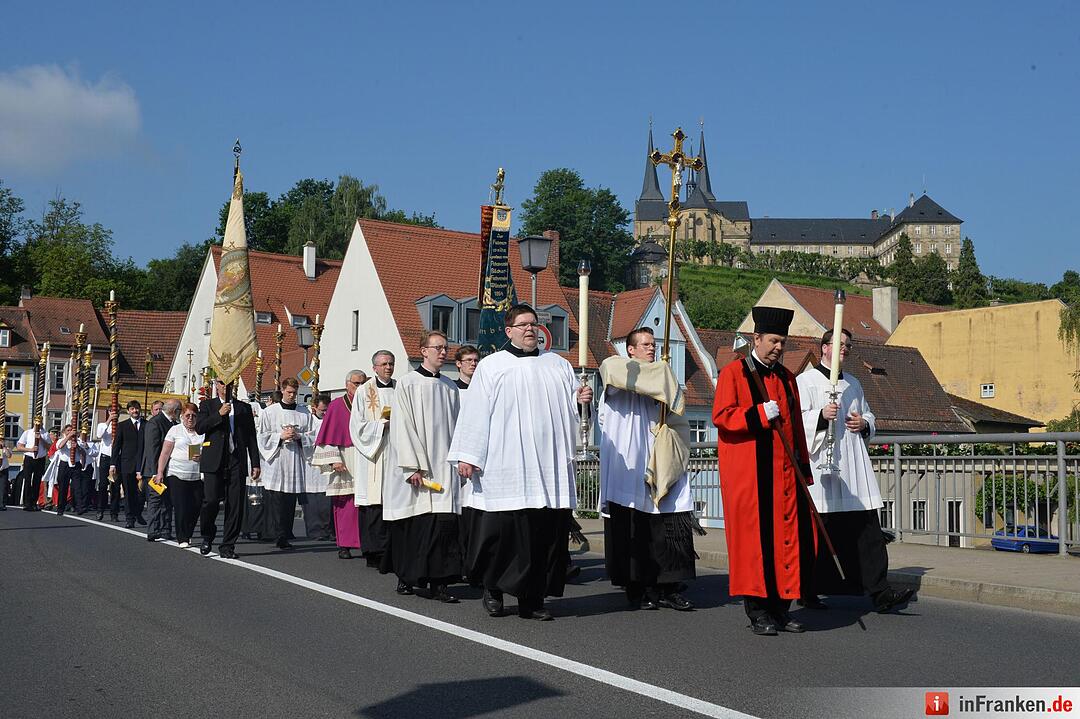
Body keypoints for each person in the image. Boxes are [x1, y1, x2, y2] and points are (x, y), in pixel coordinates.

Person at [448, 304, 591, 621]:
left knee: (543, 536)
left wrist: (581, 403)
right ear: (508, 330)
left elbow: (573, 415)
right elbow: (475, 413)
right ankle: (493, 588)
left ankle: (532, 598)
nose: (530, 329)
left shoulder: (558, 365)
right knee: (504, 534)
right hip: (506, 464)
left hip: (547, 467)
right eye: (523, 324)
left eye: (534, 324)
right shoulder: (493, 366)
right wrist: (469, 456)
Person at [712, 306, 816, 637]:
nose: (779, 348)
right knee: (756, 546)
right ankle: (758, 612)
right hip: (752, 478)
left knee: (787, 542)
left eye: (783, 342)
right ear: (756, 338)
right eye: (773, 341)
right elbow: (722, 416)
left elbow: (797, 428)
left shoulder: (787, 379)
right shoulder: (734, 374)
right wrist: (757, 414)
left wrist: (803, 470)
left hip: (785, 477)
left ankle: (781, 609)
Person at [796, 329, 914, 613]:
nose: (844, 349)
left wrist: (864, 423)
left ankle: (880, 592)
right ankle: (808, 590)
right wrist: (820, 417)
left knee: (868, 530)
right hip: (822, 469)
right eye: (839, 345)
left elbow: (869, 414)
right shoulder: (805, 381)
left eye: (848, 345)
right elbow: (797, 422)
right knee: (820, 534)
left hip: (853, 467)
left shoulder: (854, 383)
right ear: (824, 347)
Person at [598, 327, 696, 612]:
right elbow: (616, 374)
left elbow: (675, 409)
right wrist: (660, 376)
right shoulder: (617, 368)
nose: (651, 349)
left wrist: (663, 378)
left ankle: (669, 586)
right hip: (631, 458)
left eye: (653, 344)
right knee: (633, 525)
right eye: (645, 345)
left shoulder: (663, 376)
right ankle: (637, 586)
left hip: (662, 454)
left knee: (669, 522)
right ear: (630, 349)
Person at [382, 331, 462, 601]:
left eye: (446, 348)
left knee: (443, 528)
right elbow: (401, 427)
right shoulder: (407, 384)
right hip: (418, 468)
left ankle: (440, 583)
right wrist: (412, 466)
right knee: (417, 527)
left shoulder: (450, 387)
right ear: (423, 350)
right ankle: (407, 576)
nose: (443, 352)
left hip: (445, 468)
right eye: (438, 347)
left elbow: (459, 429)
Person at [196, 379, 260, 559]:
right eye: (222, 383)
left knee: (235, 505)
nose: (225, 387)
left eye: (229, 383)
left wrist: (255, 462)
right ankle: (207, 535)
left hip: (236, 459)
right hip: (214, 459)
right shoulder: (207, 405)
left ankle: (228, 546)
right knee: (211, 501)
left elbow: (251, 437)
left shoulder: (243, 408)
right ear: (217, 386)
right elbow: (200, 428)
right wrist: (219, 414)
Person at [350, 352, 397, 568]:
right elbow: (356, 426)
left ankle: (392, 550)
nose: (388, 367)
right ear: (374, 367)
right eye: (384, 364)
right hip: (373, 455)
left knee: (393, 503)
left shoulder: (400, 387)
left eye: (391, 363)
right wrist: (380, 426)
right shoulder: (364, 391)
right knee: (373, 504)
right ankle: (373, 551)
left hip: (395, 452)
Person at [313, 370, 366, 559]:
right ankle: (345, 544)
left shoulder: (369, 404)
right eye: (356, 383)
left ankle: (365, 542)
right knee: (345, 505)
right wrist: (334, 459)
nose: (359, 387)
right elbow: (327, 437)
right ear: (347, 384)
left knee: (366, 504)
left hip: (366, 458)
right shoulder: (336, 406)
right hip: (345, 458)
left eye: (362, 383)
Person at [257, 377, 314, 550]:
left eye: (294, 393)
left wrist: (299, 437)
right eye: (289, 392)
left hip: (295, 459)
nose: (292, 395)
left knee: (290, 500)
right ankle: (277, 534)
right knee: (276, 500)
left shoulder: (304, 412)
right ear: (282, 390)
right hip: (277, 459)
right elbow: (262, 436)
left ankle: (285, 533)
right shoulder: (270, 412)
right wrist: (280, 437)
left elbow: (313, 436)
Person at [158, 402, 204, 547]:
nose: (190, 418)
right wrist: (160, 472)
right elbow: (165, 453)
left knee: (196, 506)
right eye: (187, 415)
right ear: (182, 416)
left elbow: (210, 451)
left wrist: (202, 457)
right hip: (177, 473)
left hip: (197, 474)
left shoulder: (202, 431)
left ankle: (188, 532)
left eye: (193, 416)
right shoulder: (175, 430)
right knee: (181, 506)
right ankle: (182, 537)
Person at [143, 399, 179, 542]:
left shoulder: (174, 424)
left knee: (167, 501)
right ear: (173, 411)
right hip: (155, 470)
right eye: (179, 411)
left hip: (170, 469)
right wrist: (156, 471)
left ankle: (165, 529)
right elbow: (152, 449)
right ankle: (153, 530)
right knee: (155, 500)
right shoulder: (155, 422)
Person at [300, 394, 333, 541]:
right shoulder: (308, 420)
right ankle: (315, 531)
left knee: (327, 502)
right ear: (314, 408)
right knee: (312, 502)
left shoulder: (332, 421)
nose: (325, 414)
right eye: (322, 411)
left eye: (327, 411)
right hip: (311, 464)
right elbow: (304, 437)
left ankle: (329, 530)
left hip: (328, 464)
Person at [110, 401, 147, 528]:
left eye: (137, 408)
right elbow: (116, 446)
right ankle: (129, 518)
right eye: (132, 409)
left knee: (143, 492)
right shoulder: (123, 425)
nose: (135, 411)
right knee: (129, 493)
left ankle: (138, 512)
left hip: (143, 463)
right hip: (127, 464)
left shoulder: (147, 425)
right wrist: (113, 464)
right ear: (128, 411)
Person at [48, 425, 89, 516]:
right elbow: (60, 446)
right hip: (64, 465)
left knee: (77, 487)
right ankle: (60, 508)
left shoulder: (78, 441)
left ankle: (79, 507)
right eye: (68, 430)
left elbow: (83, 453)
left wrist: (77, 446)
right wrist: (68, 437)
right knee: (63, 487)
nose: (70, 432)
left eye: (71, 430)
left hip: (76, 465)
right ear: (64, 432)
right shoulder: (61, 440)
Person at [15, 423, 53, 511]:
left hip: (40, 459)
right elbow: (19, 446)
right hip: (29, 458)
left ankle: (34, 502)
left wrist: (41, 439)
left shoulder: (45, 434)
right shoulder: (27, 433)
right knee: (27, 480)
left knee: (37, 481)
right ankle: (27, 503)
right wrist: (30, 449)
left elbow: (49, 447)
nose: (38, 425)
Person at [94, 411, 120, 521]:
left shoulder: (120, 426)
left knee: (115, 486)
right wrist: (109, 420)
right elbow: (99, 435)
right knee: (103, 485)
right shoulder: (102, 425)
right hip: (105, 457)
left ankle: (114, 513)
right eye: (112, 412)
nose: (114, 414)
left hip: (116, 457)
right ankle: (100, 510)